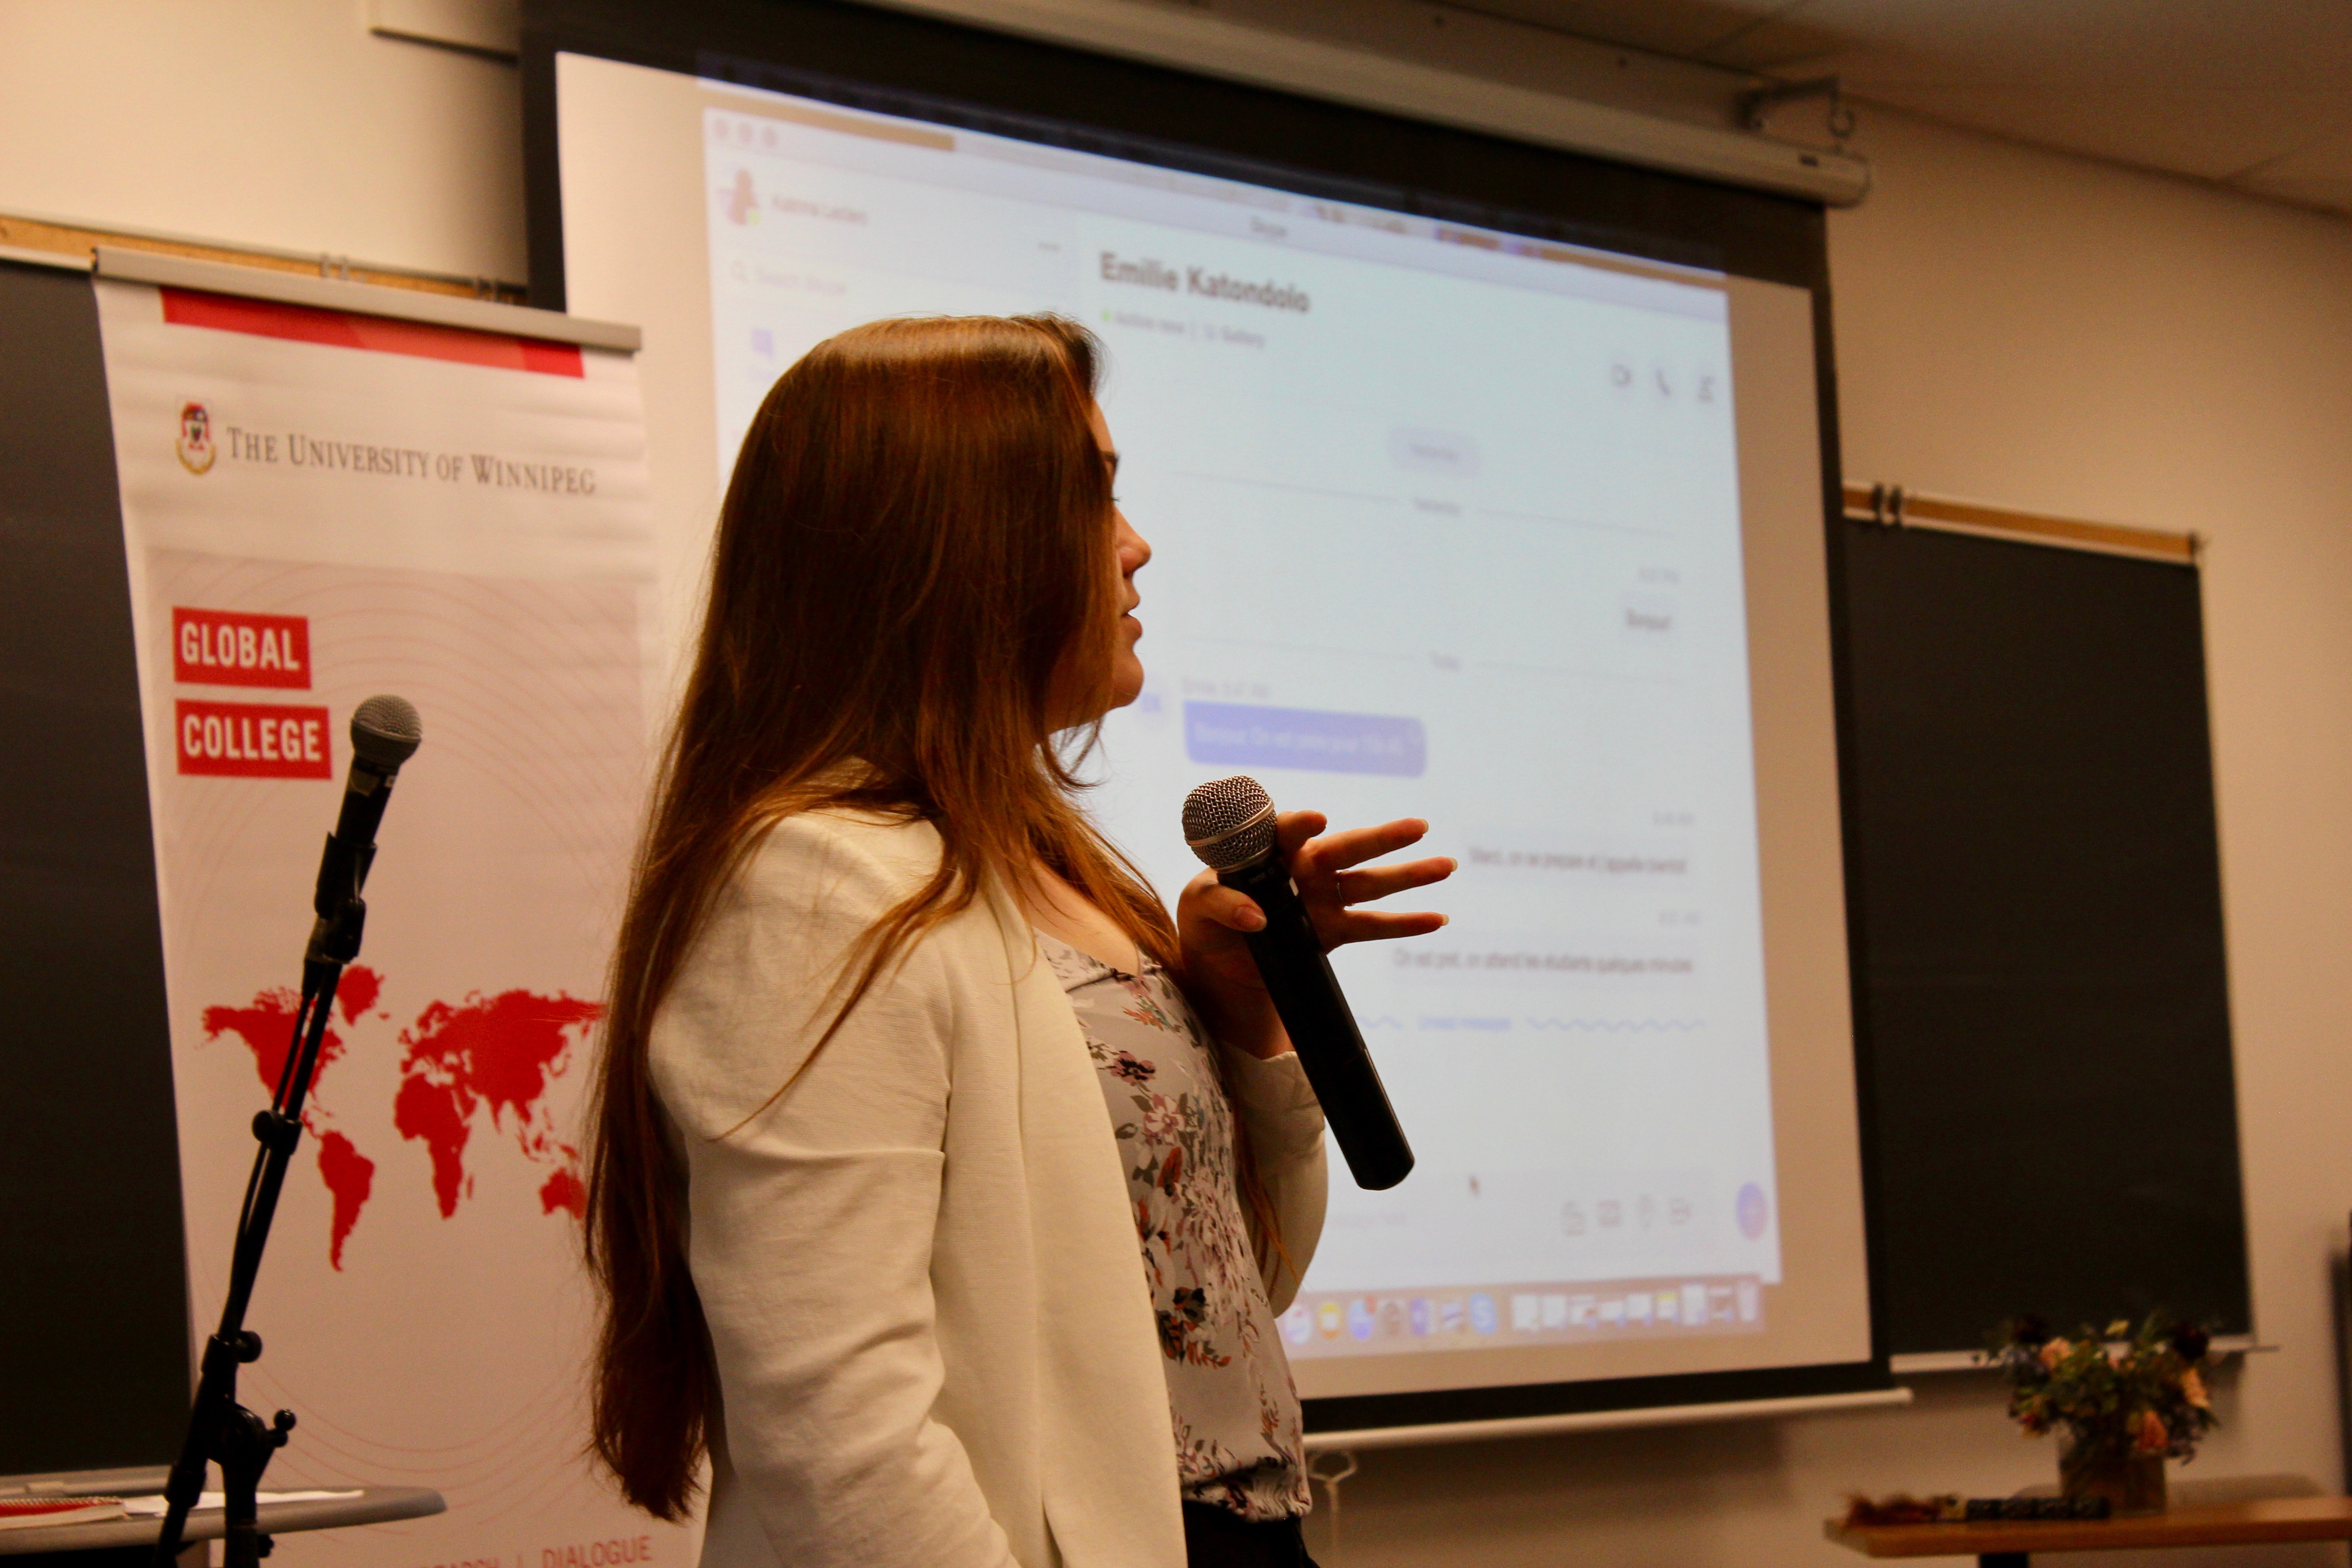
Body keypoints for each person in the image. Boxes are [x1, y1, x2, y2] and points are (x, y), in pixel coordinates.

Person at [582, 314, 1452, 1568]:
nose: (1136, 546)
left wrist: (1243, 1016)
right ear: (960, 548)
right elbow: (843, 1443)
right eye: (1097, 497)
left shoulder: (1050, 870)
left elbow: (1231, 1296)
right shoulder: (819, 885)